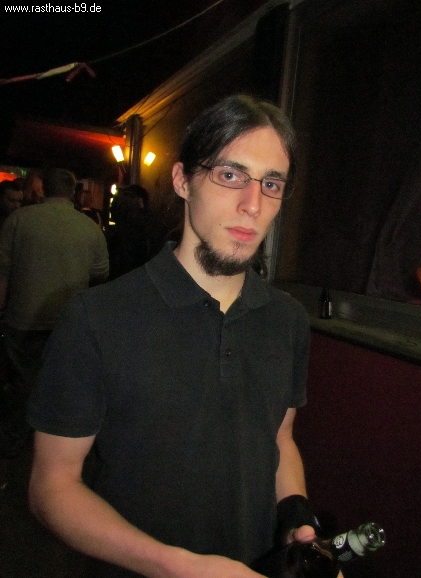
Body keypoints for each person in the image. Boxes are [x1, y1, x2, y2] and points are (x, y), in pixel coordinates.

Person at [27, 95, 336, 578]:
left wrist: (294, 510)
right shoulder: (96, 318)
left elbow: (279, 437)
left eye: (271, 183)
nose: (253, 205)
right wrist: (174, 565)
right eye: (230, 175)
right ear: (182, 180)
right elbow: (52, 487)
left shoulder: (288, 319)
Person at [0, 168, 109, 453]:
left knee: (21, 381)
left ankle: (14, 439)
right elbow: (101, 273)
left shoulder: (18, 220)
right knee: (62, 385)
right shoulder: (88, 227)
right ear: (72, 191)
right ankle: (53, 444)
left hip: (23, 316)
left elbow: (3, 271)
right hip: (68, 321)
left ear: (43, 189)